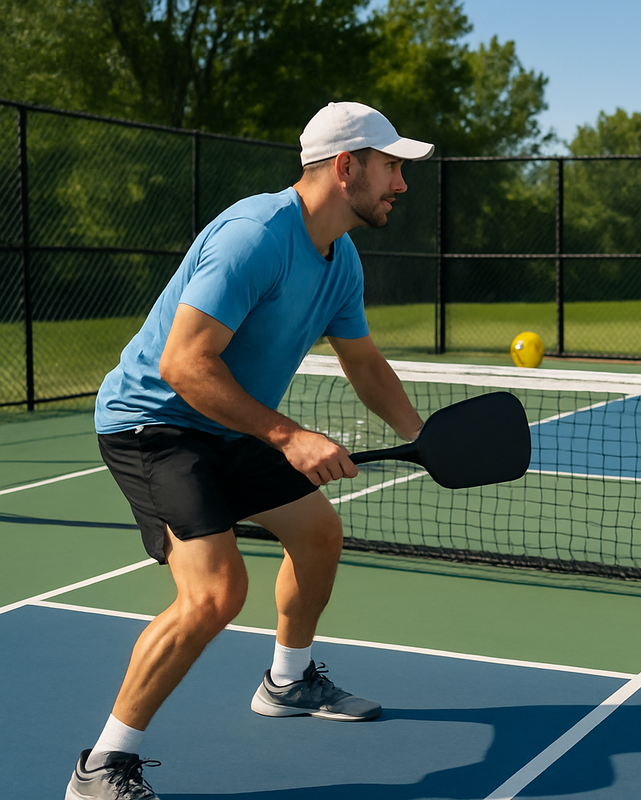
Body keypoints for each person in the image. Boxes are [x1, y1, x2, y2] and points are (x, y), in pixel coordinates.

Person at [66, 101, 433, 800]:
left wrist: (422, 434)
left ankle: (287, 681)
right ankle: (101, 767)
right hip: (155, 424)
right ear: (345, 166)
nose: (401, 183)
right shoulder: (255, 236)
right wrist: (289, 436)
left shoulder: (341, 260)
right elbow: (183, 364)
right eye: (392, 167)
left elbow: (364, 364)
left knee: (319, 533)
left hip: (227, 425)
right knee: (214, 592)